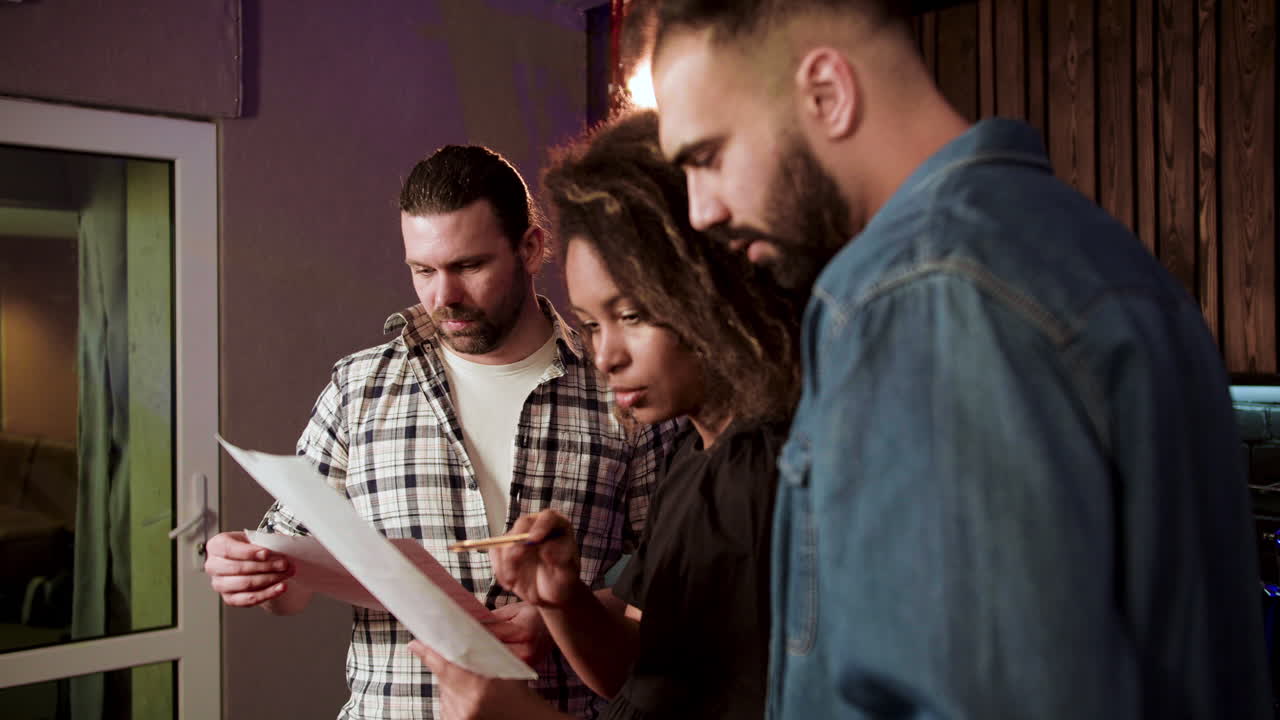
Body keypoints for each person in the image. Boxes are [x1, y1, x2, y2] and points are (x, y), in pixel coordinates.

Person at [648, 1, 1271, 717]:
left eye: (708, 156)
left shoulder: (920, 293)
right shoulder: (1097, 255)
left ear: (826, 92)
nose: (701, 210)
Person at [203, 144, 677, 720]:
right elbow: (292, 578)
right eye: (423, 271)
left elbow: (667, 589)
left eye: (469, 266)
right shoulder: (360, 388)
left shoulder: (623, 388)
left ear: (531, 248)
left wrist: (561, 617)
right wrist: (253, 571)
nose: (443, 296)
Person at [408, 109, 802, 720]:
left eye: (634, 316)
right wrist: (562, 598)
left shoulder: (766, 474)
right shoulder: (690, 456)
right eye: (592, 325)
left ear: (711, 290)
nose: (606, 356)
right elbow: (637, 672)